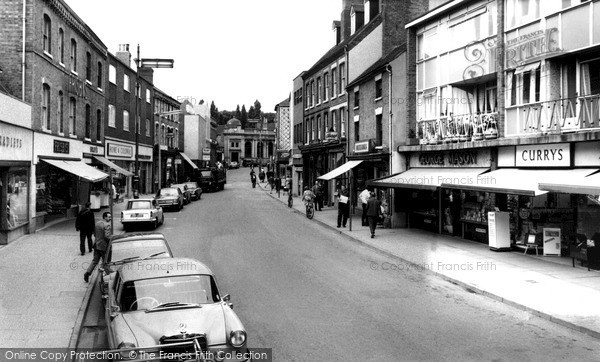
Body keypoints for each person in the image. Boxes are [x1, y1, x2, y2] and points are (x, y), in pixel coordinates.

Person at [83, 212, 112, 282]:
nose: (110, 218)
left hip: (96, 245)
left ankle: (87, 273)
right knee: (106, 262)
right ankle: (109, 276)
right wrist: (112, 239)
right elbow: (107, 236)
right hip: (103, 247)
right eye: (109, 217)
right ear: (105, 217)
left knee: (95, 261)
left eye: (110, 217)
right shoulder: (107, 225)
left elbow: (95, 234)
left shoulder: (97, 223)